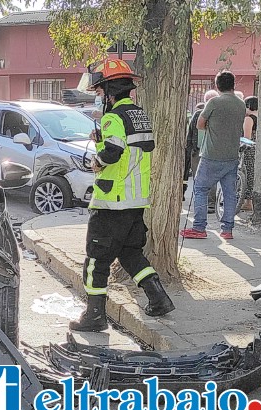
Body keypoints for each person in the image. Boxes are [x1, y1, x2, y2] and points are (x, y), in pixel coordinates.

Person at [70, 58, 175, 332]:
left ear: (111, 91)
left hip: (111, 203)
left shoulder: (112, 117)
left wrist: (97, 161)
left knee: (96, 259)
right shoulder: (140, 116)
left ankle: (94, 316)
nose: (99, 97)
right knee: (130, 253)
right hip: (136, 201)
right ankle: (159, 298)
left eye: (101, 92)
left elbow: (114, 153)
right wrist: (102, 141)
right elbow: (131, 151)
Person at [180, 70, 246, 240]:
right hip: (231, 154)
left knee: (201, 189)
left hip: (211, 154)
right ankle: (227, 229)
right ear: (233, 84)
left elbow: (200, 125)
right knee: (229, 193)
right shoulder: (241, 104)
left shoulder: (214, 102)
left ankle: (199, 227)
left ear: (217, 85)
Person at [185, 90, 219, 208]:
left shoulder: (217, 115)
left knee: (205, 178)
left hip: (208, 151)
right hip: (199, 150)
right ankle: (204, 203)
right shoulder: (199, 114)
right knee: (201, 178)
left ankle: (208, 203)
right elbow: (191, 132)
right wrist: (190, 149)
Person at [241, 96, 258, 211]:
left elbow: (247, 137)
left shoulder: (249, 119)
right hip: (259, 148)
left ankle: (248, 201)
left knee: (248, 173)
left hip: (250, 149)